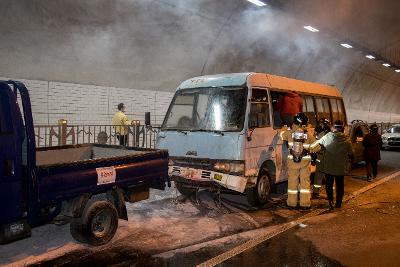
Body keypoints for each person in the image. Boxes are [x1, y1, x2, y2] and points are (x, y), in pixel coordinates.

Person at [310, 120, 354, 210]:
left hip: (328, 166)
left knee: (329, 184)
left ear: (334, 128)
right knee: (340, 185)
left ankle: (330, 202)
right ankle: (338, 203)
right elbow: (351, 153)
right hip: (341, 167)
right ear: (343, 129)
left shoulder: (327, 137)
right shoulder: (347, 139)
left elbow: (314, 146)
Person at [280, 112, 316, 209]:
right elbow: (317, 147)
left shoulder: (289, 133)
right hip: (305, 162)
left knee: (292, 183)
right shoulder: (308, 134)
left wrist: (285, 128)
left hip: (292, 162)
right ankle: (305, 204)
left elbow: (281, 136)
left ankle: (291, 203)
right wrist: (309, 148)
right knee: (305, 183)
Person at [311, 118, 331, 198]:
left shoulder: (317, 132)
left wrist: (313, 156)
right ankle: (330, 194)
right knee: (329, 175)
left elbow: (315, 144)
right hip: (327, 155)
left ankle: (316, 192)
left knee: (318, 174)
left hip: (319, 155)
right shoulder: (328, 133)